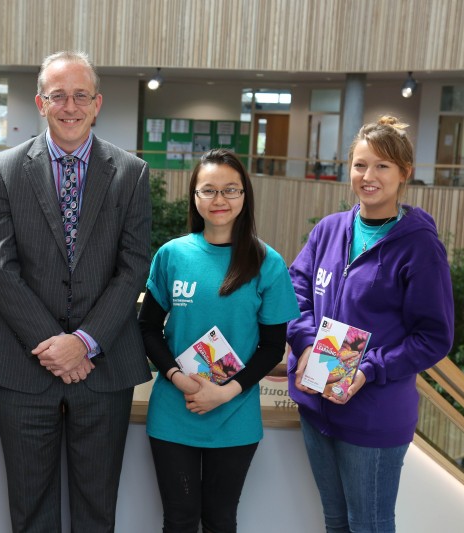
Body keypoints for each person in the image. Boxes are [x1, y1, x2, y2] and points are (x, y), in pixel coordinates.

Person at [0, 50, 152, 532]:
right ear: (40, 102)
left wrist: (84, 342)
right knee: (30, 509)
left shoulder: (131, 172)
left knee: (97, 509)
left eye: (79, 96)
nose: (69, 106)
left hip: (104, 366)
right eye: (58, 96)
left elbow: (133, 269)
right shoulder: (5, 169)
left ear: (97, 104)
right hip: (23, 364)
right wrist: (56, 346)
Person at [287, 116, 454, 533]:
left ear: (404, 173)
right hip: (316, 404)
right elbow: (296, 290)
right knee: (336, 523)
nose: (369, 176)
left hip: (373, 415)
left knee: (369, 525)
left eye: (382, 166)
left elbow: (433, 337)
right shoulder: (329, 230)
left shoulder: (419, 247)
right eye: (360, 165)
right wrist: (306, 342)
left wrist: (368, 368)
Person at [138, 149, 299, 533]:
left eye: (231, 190)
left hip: (234, 413)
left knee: (220, 521)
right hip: (175, 411)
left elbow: (273, 346)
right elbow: (147, 329)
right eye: (208, 190)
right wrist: (178, 377)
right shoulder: (172, 255)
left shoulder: (266, 261)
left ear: (245, 196)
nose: (220, 200)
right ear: (194, 196)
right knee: (178, 520)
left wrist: (225, 393)